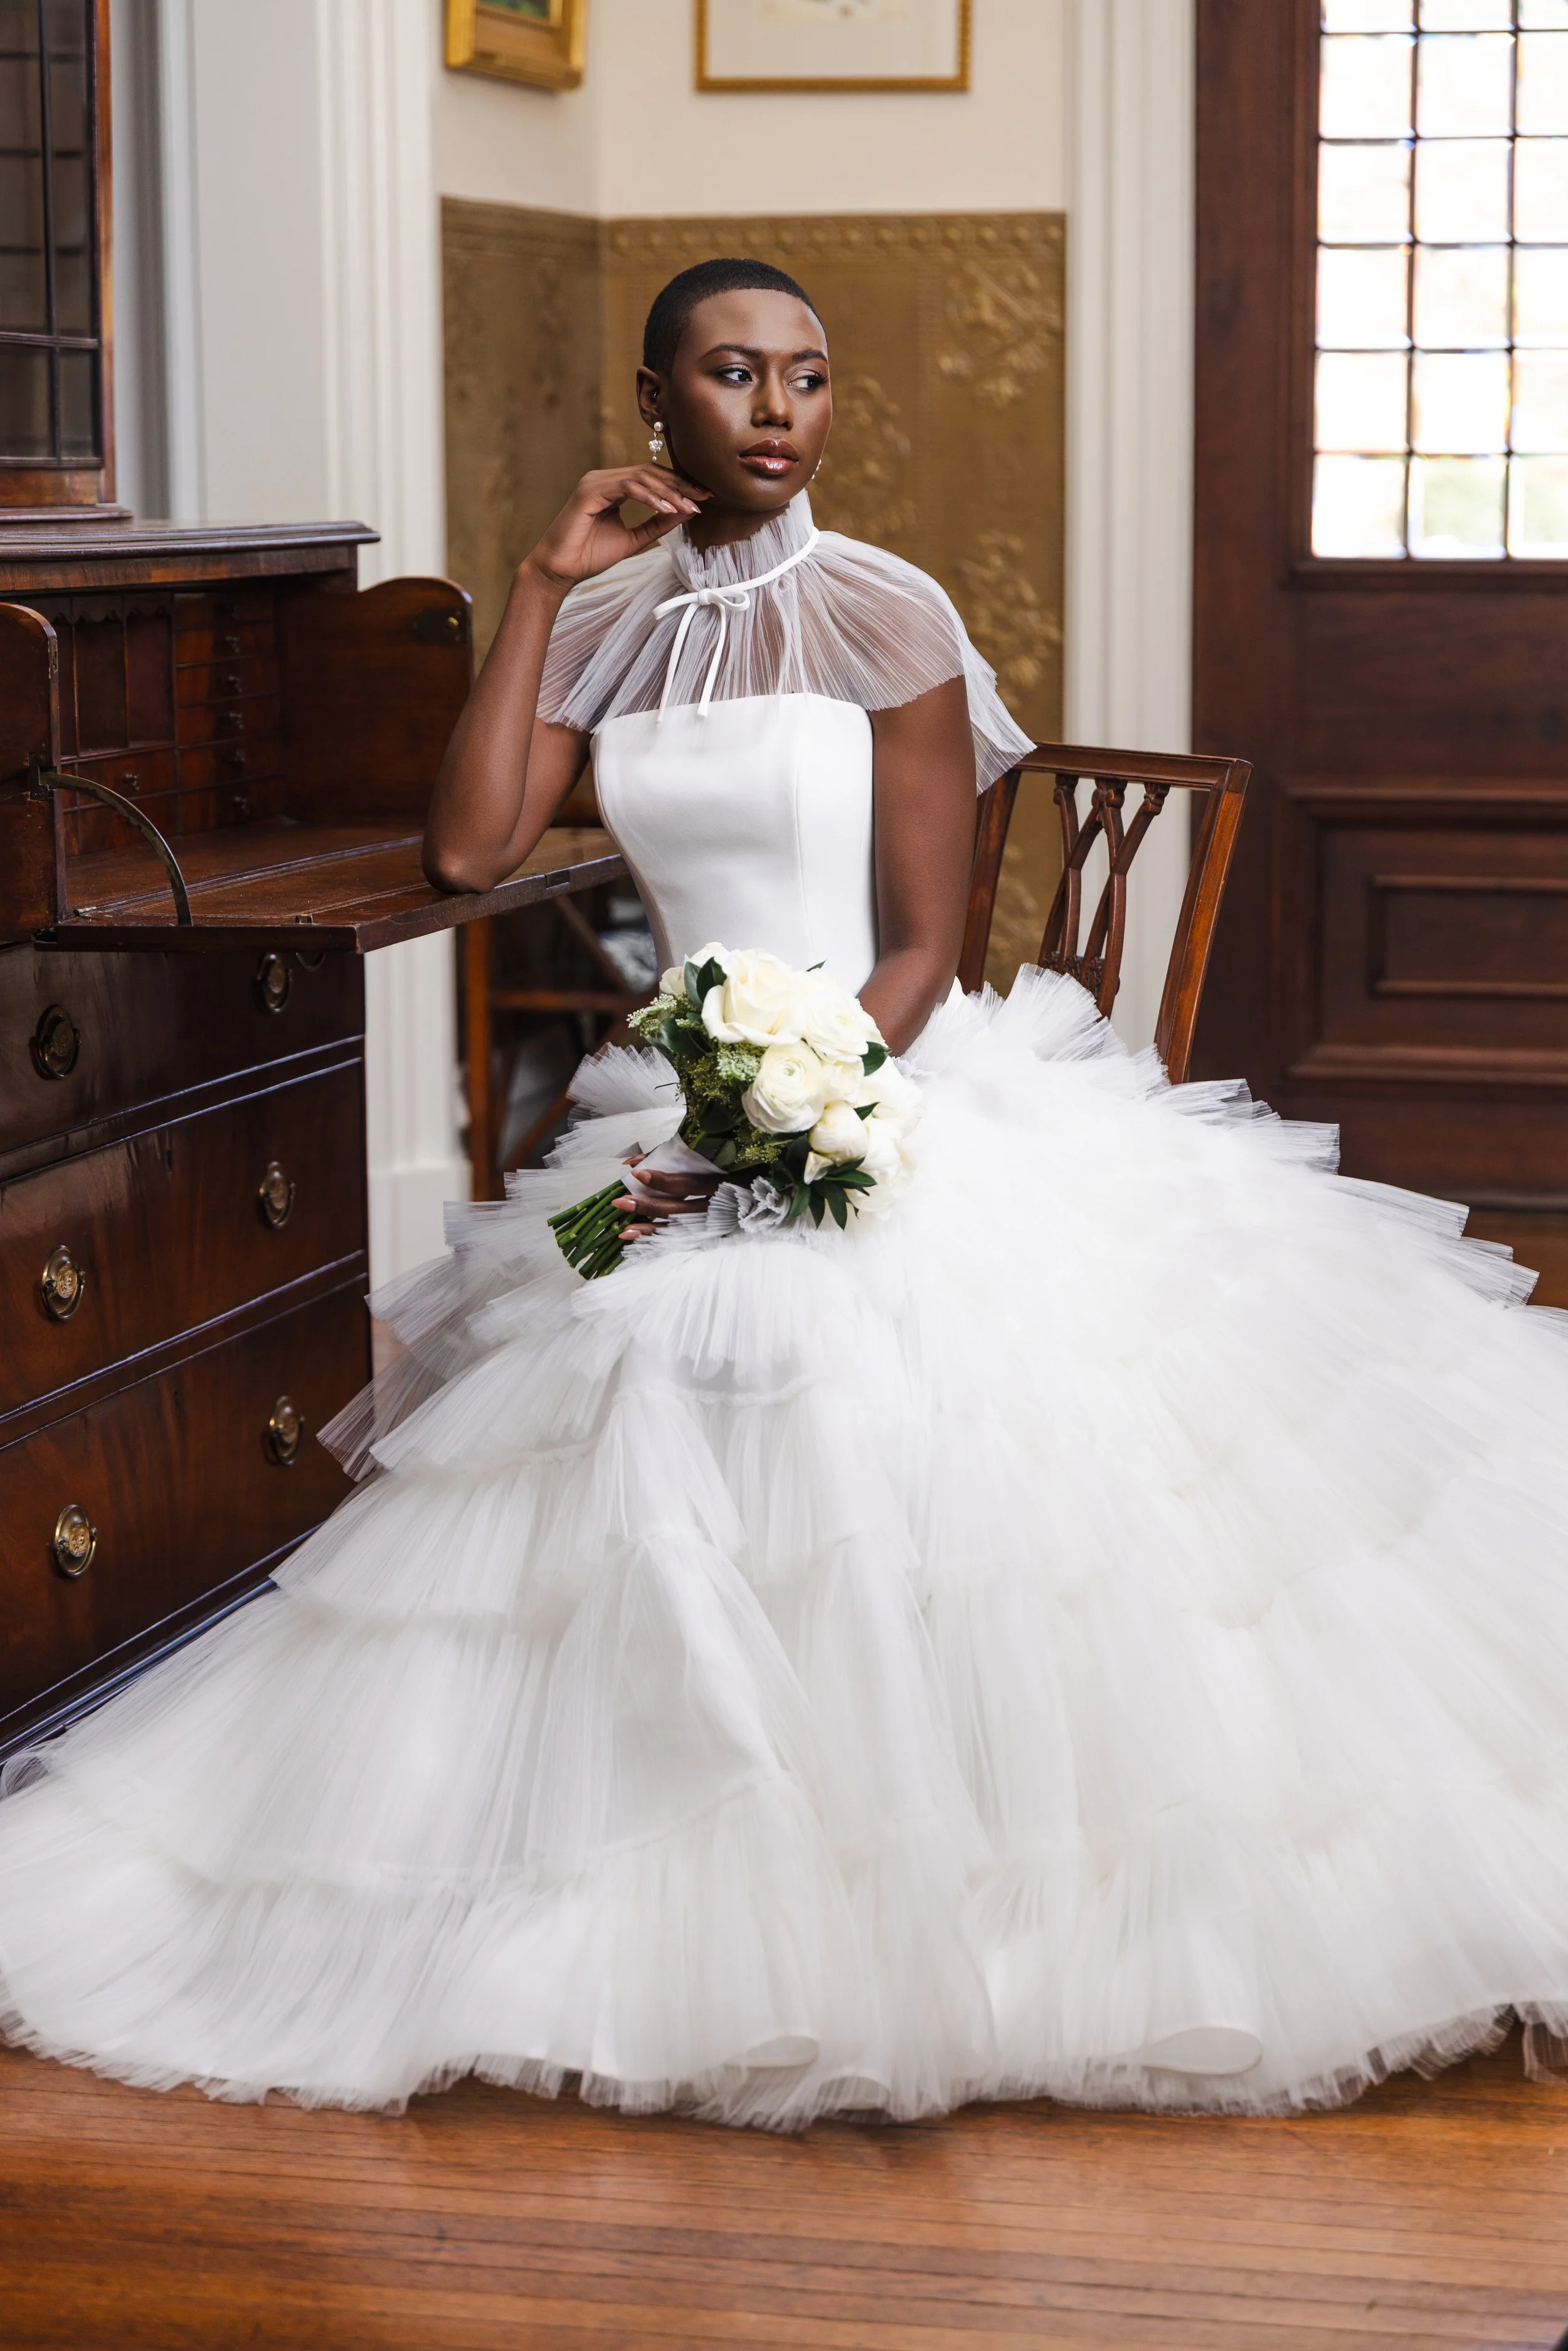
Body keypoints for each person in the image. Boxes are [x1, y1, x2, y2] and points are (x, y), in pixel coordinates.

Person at [6, 257, 1568, 2126]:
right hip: (678, 1104)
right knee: (603, 1362)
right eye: (732, 375)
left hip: (868, 1084)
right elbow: (470, 841)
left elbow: (918, 946)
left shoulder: (885, 615)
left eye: (807, 379)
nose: (775, 410)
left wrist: (773, 1124)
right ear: (655, 404)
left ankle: (902, 1883)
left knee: (776, 1343)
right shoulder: (607, 631)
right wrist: (536, 587)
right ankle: (628, 1876)